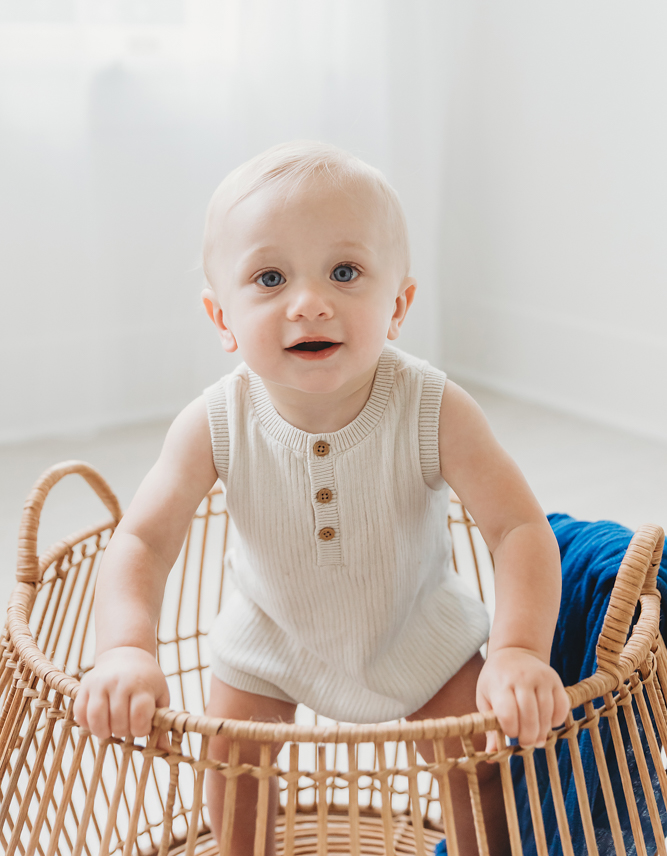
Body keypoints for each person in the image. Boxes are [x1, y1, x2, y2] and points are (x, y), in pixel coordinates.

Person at [74, 141, 570, 855]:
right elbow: (142, 541)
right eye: (270, 277)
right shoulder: (213, 421)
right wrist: (125, 648)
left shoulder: (433, 405)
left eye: (344, 272)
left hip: (417, 629)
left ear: (397, 306)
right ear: (222, 320)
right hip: (267, 635)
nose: (309, 303)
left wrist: (519, 650)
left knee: (480, 765)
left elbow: (519, 528)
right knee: (230, 766)